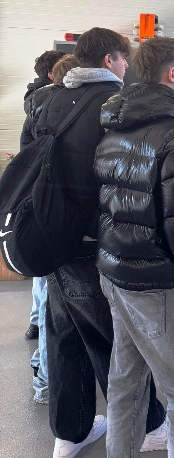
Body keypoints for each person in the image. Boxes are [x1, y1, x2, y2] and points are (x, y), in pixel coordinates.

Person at [41, 28, 167, 458]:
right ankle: (148, 426)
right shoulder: (117, 104)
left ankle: (70, 433)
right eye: (124, 59)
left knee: (65, 337)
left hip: (51, 241)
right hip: (96, 243)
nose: (127, 66)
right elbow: (128, 179)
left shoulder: (48, 100)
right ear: (111, 60)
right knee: (115, 342)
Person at [95, 37, 174, 458]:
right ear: (172, 72)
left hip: (116, 273)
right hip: (157, 283)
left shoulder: (115, 126)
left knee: (126, 383)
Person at [28, 54, 79, 407]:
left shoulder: (38, 108)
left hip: (43, 219)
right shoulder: (56, 112)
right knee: (54, 309)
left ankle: (42, 373)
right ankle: (46, 382)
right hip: (57, 222)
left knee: (48, 301)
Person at [21, 50, 66, 342]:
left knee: (43, 268)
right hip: (48, 192)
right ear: (52, 74)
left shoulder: (34, 102)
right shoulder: (49, 103)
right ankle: (40, 325)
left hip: (36, 190)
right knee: (49, 269)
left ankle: (36, 321)